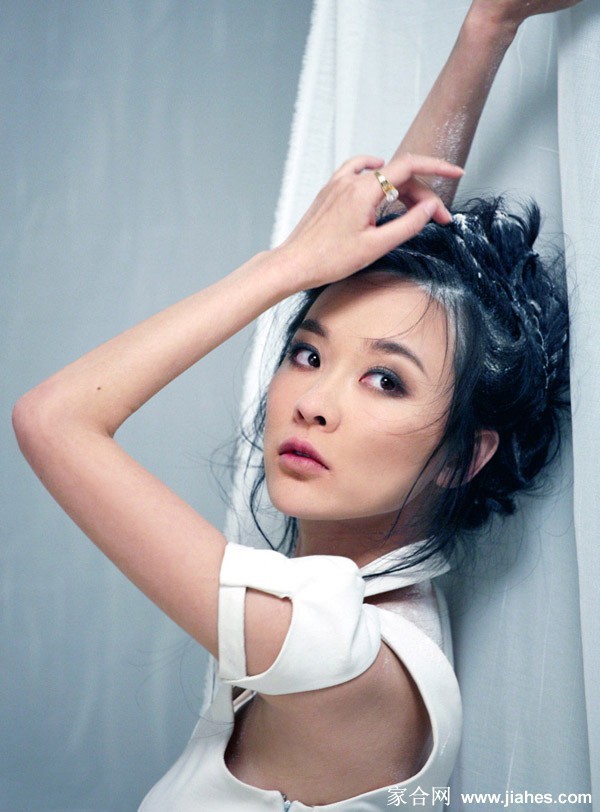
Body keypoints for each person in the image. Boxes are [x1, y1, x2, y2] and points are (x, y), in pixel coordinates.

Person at [12, 1, 578, 809]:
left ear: (465, 456)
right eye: (308, 354)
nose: (313, 402)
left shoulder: (329, 652)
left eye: (385, 381)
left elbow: (52, 417)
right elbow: (404, 245)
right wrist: (488, 28)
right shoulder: (358, 605)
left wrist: (284, 266)